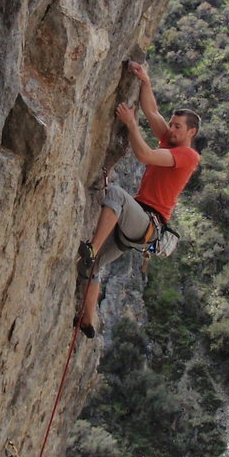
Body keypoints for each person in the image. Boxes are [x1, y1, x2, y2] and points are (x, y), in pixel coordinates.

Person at [76, 60, 201, 337]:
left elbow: (144, 155)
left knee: (117, 194)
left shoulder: (187, 156)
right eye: (172, 123)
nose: (172, 128)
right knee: (91, 268)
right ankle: (88, 319)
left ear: (191, 132)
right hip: (135, 227)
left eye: (178, 126)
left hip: (147, 223)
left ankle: (92, 247)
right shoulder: (171, 141)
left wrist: (131, 124)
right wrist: (145, 80)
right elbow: (152, 110)